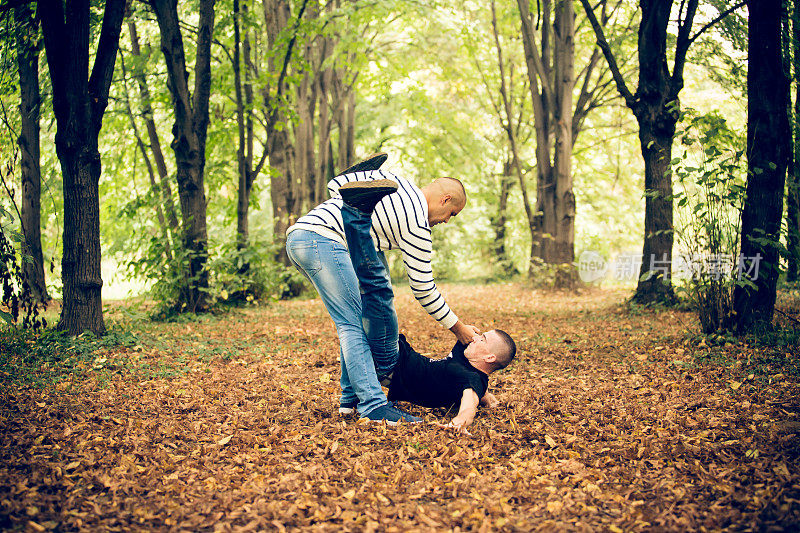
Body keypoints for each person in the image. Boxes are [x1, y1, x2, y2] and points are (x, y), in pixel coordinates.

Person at [285, 161, 480, 424]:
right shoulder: (417, 223)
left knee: (355, 319)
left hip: (300, 237)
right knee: (352, 324)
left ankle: (349, 401)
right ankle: (373, 406)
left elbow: (335, 186)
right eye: (451, 214)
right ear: (445, 200)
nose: (446, 220)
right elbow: (423, 289)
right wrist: (459, 328)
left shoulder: (392, 183)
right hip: (325, 240)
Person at [337, 178, 517, 432]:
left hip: (392, 364)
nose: (477, 336)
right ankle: (348, 400)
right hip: (400, 353)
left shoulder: (471, 380)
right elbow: (481, 383)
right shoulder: (465, 361)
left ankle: (356, 213)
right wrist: (491, 398)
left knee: (375, 292)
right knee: (360, 319)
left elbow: (469, 404)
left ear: (488, 356)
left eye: (483, 339)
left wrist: (460, 422)